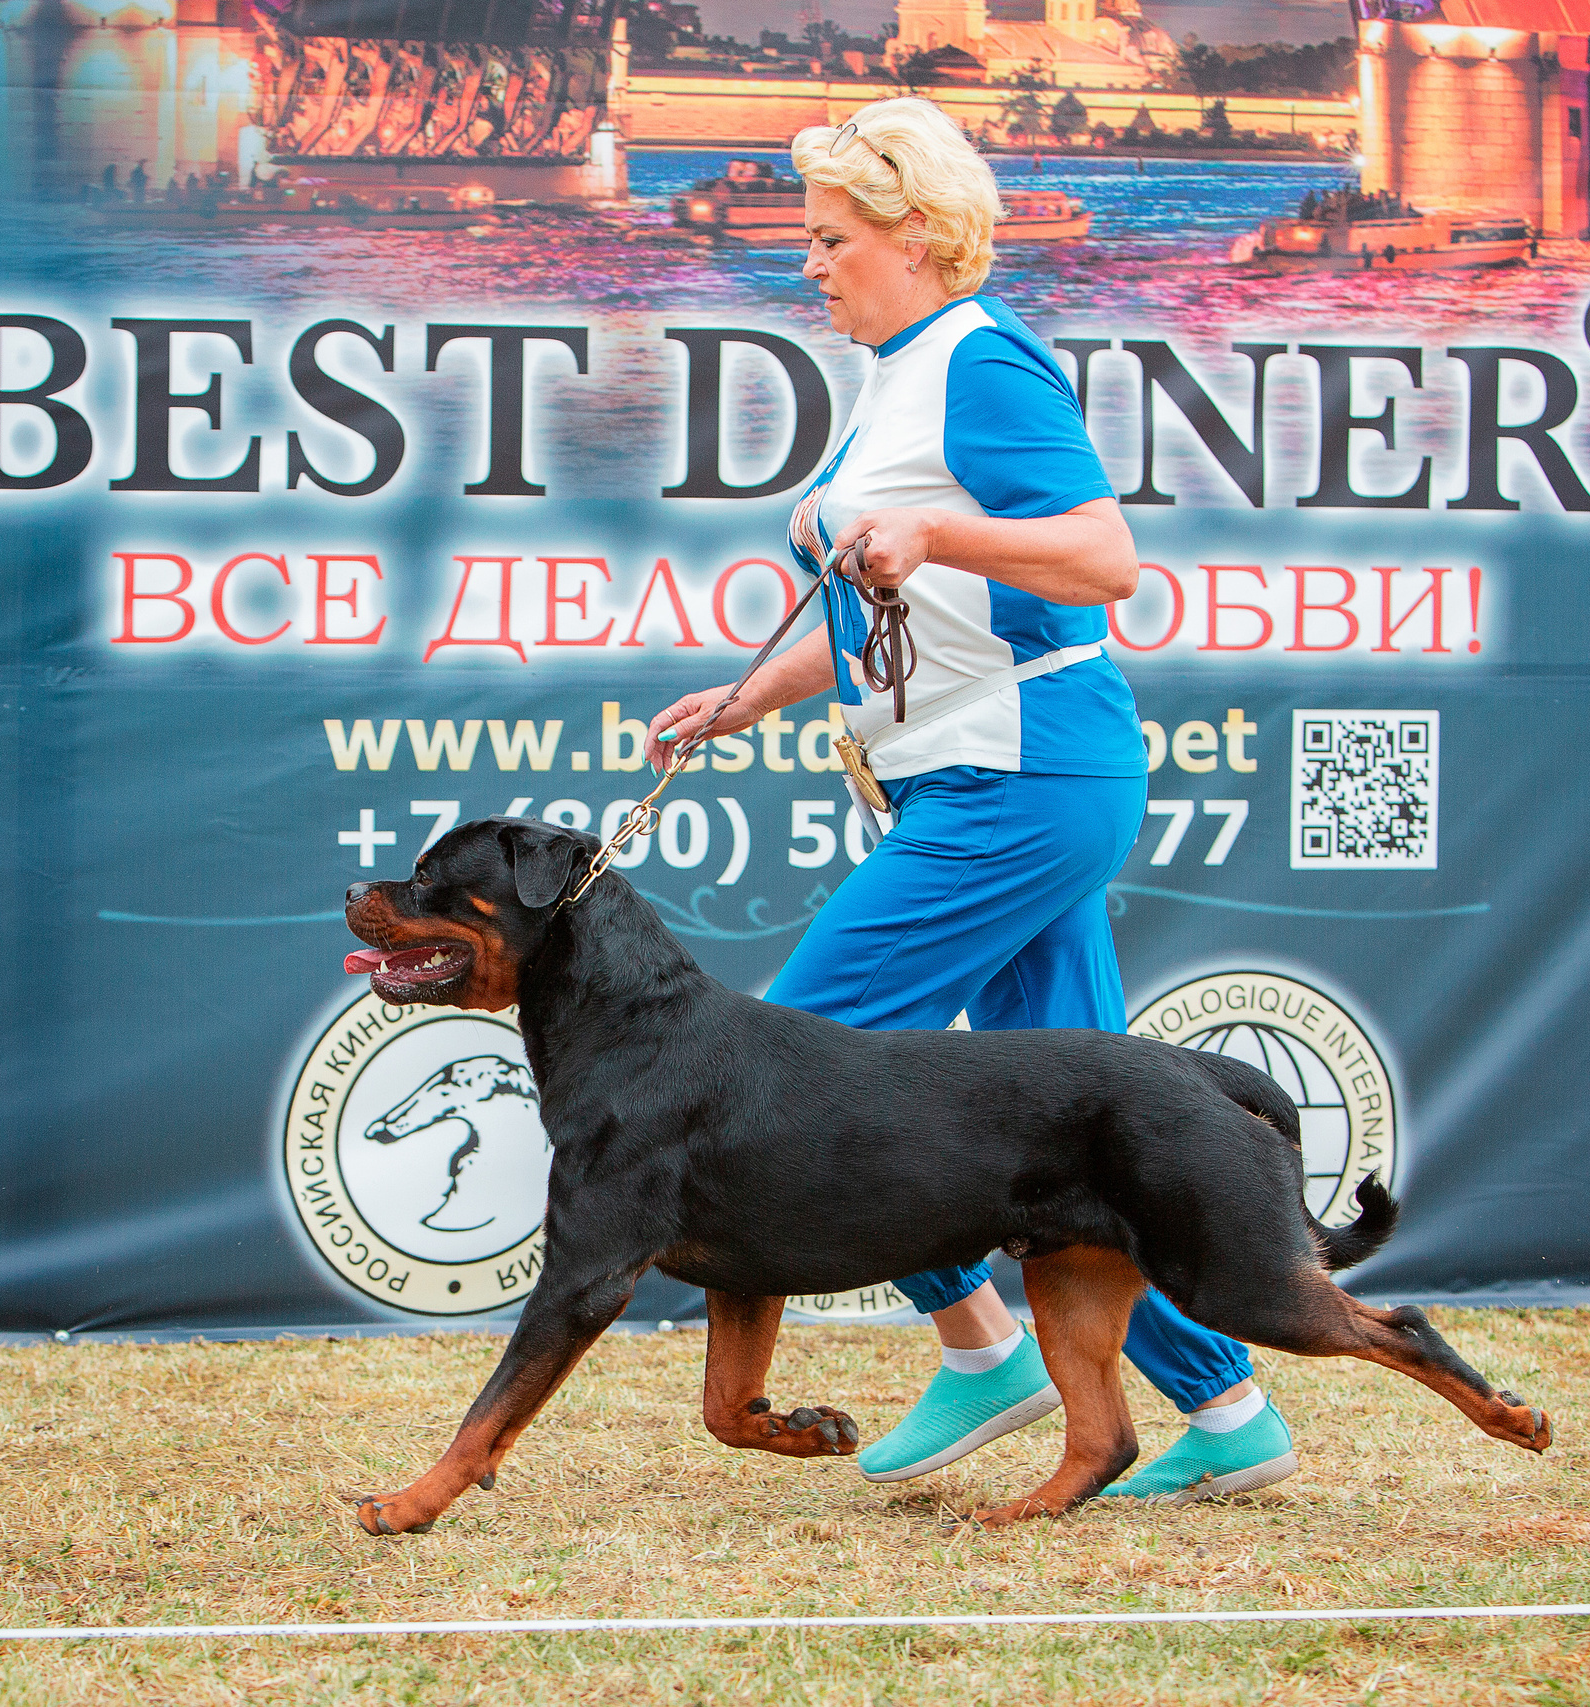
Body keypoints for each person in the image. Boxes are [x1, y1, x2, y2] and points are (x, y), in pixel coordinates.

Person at [645, 97, 1296, 1503]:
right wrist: (749, 695)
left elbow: (1102, 558)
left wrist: (933, 523)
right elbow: (928, 606)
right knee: (1083, 1133)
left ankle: (980, 1341)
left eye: (829, 239)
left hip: (1020, 779)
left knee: (801, 1076)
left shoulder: (980, 367)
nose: (807, 265)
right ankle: (1228, 1404)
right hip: (997, 772)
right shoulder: (898, 373)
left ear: (919, 236)